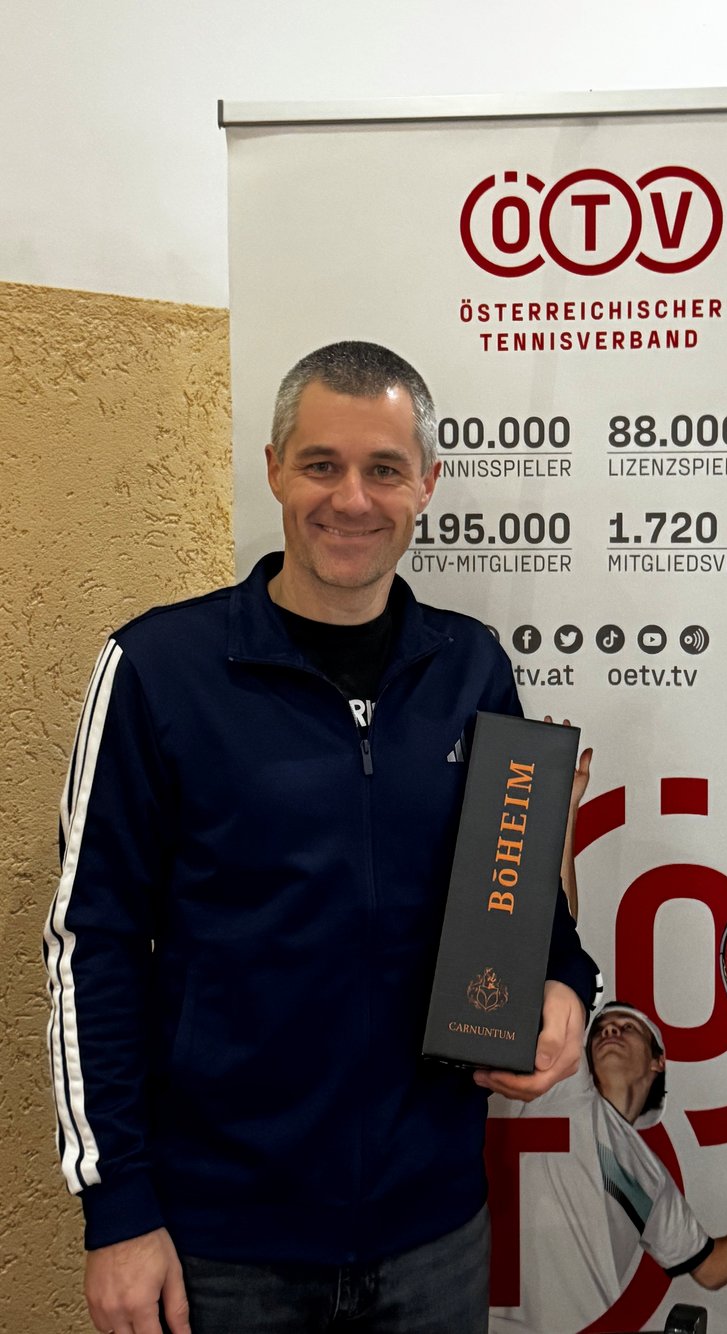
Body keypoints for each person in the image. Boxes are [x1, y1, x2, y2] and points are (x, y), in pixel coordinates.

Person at [44, 341, 597, 1334]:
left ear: (426, 484)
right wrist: (117, 1206)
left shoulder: (471, 666)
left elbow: (517, 895)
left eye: (384, 468)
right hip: (221, 1244)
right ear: (273, 470)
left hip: (434, 1231)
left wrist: (564, 983)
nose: (351, 498)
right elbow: (94, 945)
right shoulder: (159, 668)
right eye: (321, 464)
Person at [489, 1001, 727, 1333]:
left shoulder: (651, 1178)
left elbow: (712, 1268)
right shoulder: (564, 1088)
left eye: (627, 1027)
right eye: (602, 1029)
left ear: (659, 1061)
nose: (610, 1031)